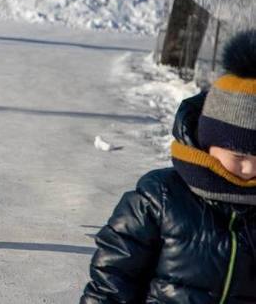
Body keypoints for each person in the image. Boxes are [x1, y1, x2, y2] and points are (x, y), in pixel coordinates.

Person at [81, 29, 256, 303]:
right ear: (208, 144)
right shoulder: (161, 197)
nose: (249, 170)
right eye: (238, 157)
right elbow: (113, 277)